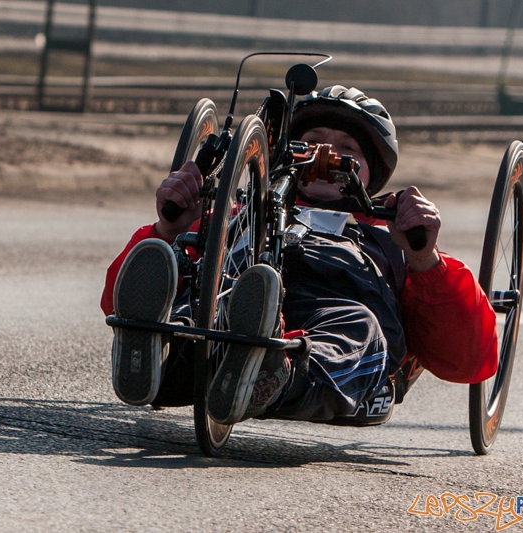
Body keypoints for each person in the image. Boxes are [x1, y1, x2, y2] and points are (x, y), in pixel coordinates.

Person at [101, 85, 497, 426]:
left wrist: (426, 261)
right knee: (195, 305)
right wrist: (171, 229)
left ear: (369, 172)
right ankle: (155, 354)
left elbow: (467, 359)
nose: (326, 153)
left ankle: (273, 376)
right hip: (236, 303)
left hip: (333, 314)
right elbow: (118, 297)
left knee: (360, 328)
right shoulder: (239, 213)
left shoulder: (391, 237)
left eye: (347, 149)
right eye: (314, 140)